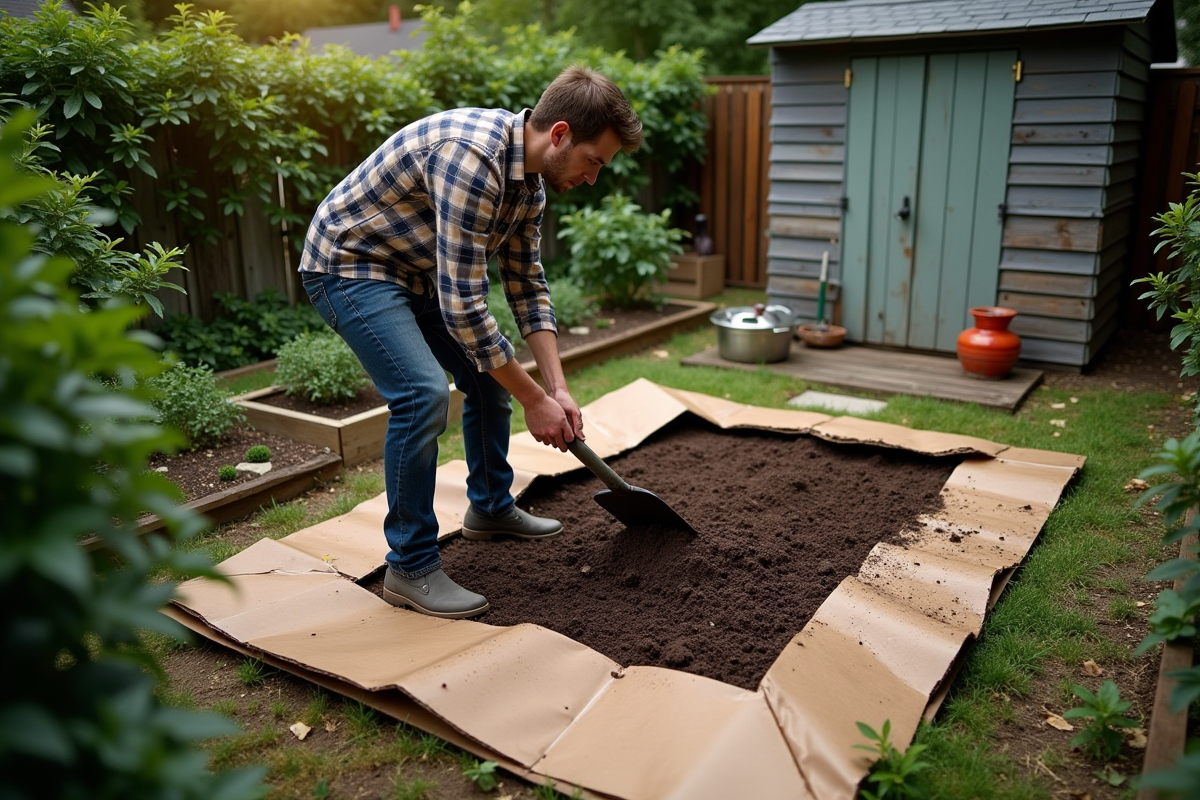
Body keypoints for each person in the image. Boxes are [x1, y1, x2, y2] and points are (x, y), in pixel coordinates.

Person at [298, 66, 643, 619]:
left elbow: (528, 288)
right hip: (349, 265)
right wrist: (535, 400)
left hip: (413, 271)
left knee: (487, 380)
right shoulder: (471, 159)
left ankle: (489, 508)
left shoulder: (529, 186)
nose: (593, 177)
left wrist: (558, 388)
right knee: (421, 393)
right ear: (559, 135)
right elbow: (464, 307)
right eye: (593, 162)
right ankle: (409, 566)